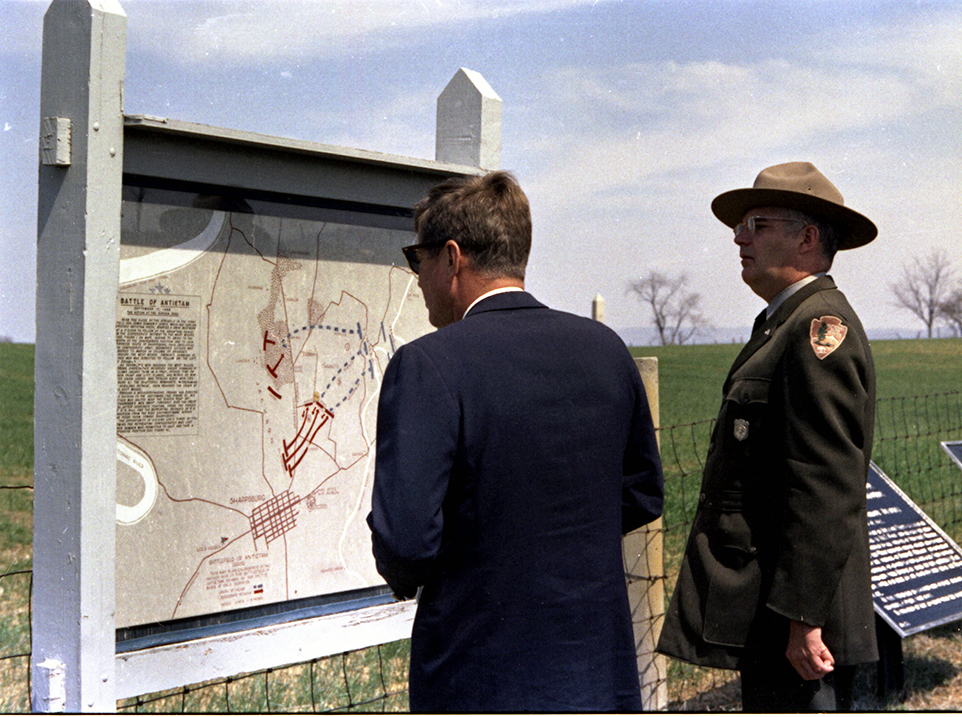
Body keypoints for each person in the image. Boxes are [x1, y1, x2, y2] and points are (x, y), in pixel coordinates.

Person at [367, 170, 664, 712]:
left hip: (481, 675)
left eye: (419, 260)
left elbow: (405, 542)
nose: (418, 279)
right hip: (598, 673)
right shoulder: (605, 350)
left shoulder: (428, 365)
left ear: (452, 258)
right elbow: (643, 492)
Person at [656, 162, 879, 711]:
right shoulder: (784, 323)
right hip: (778, 613)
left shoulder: (815, 329)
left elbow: (826, 485)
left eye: (757, 224)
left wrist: (804, 620)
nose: (738, 237)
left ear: (807, 239)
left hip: (800, 628)